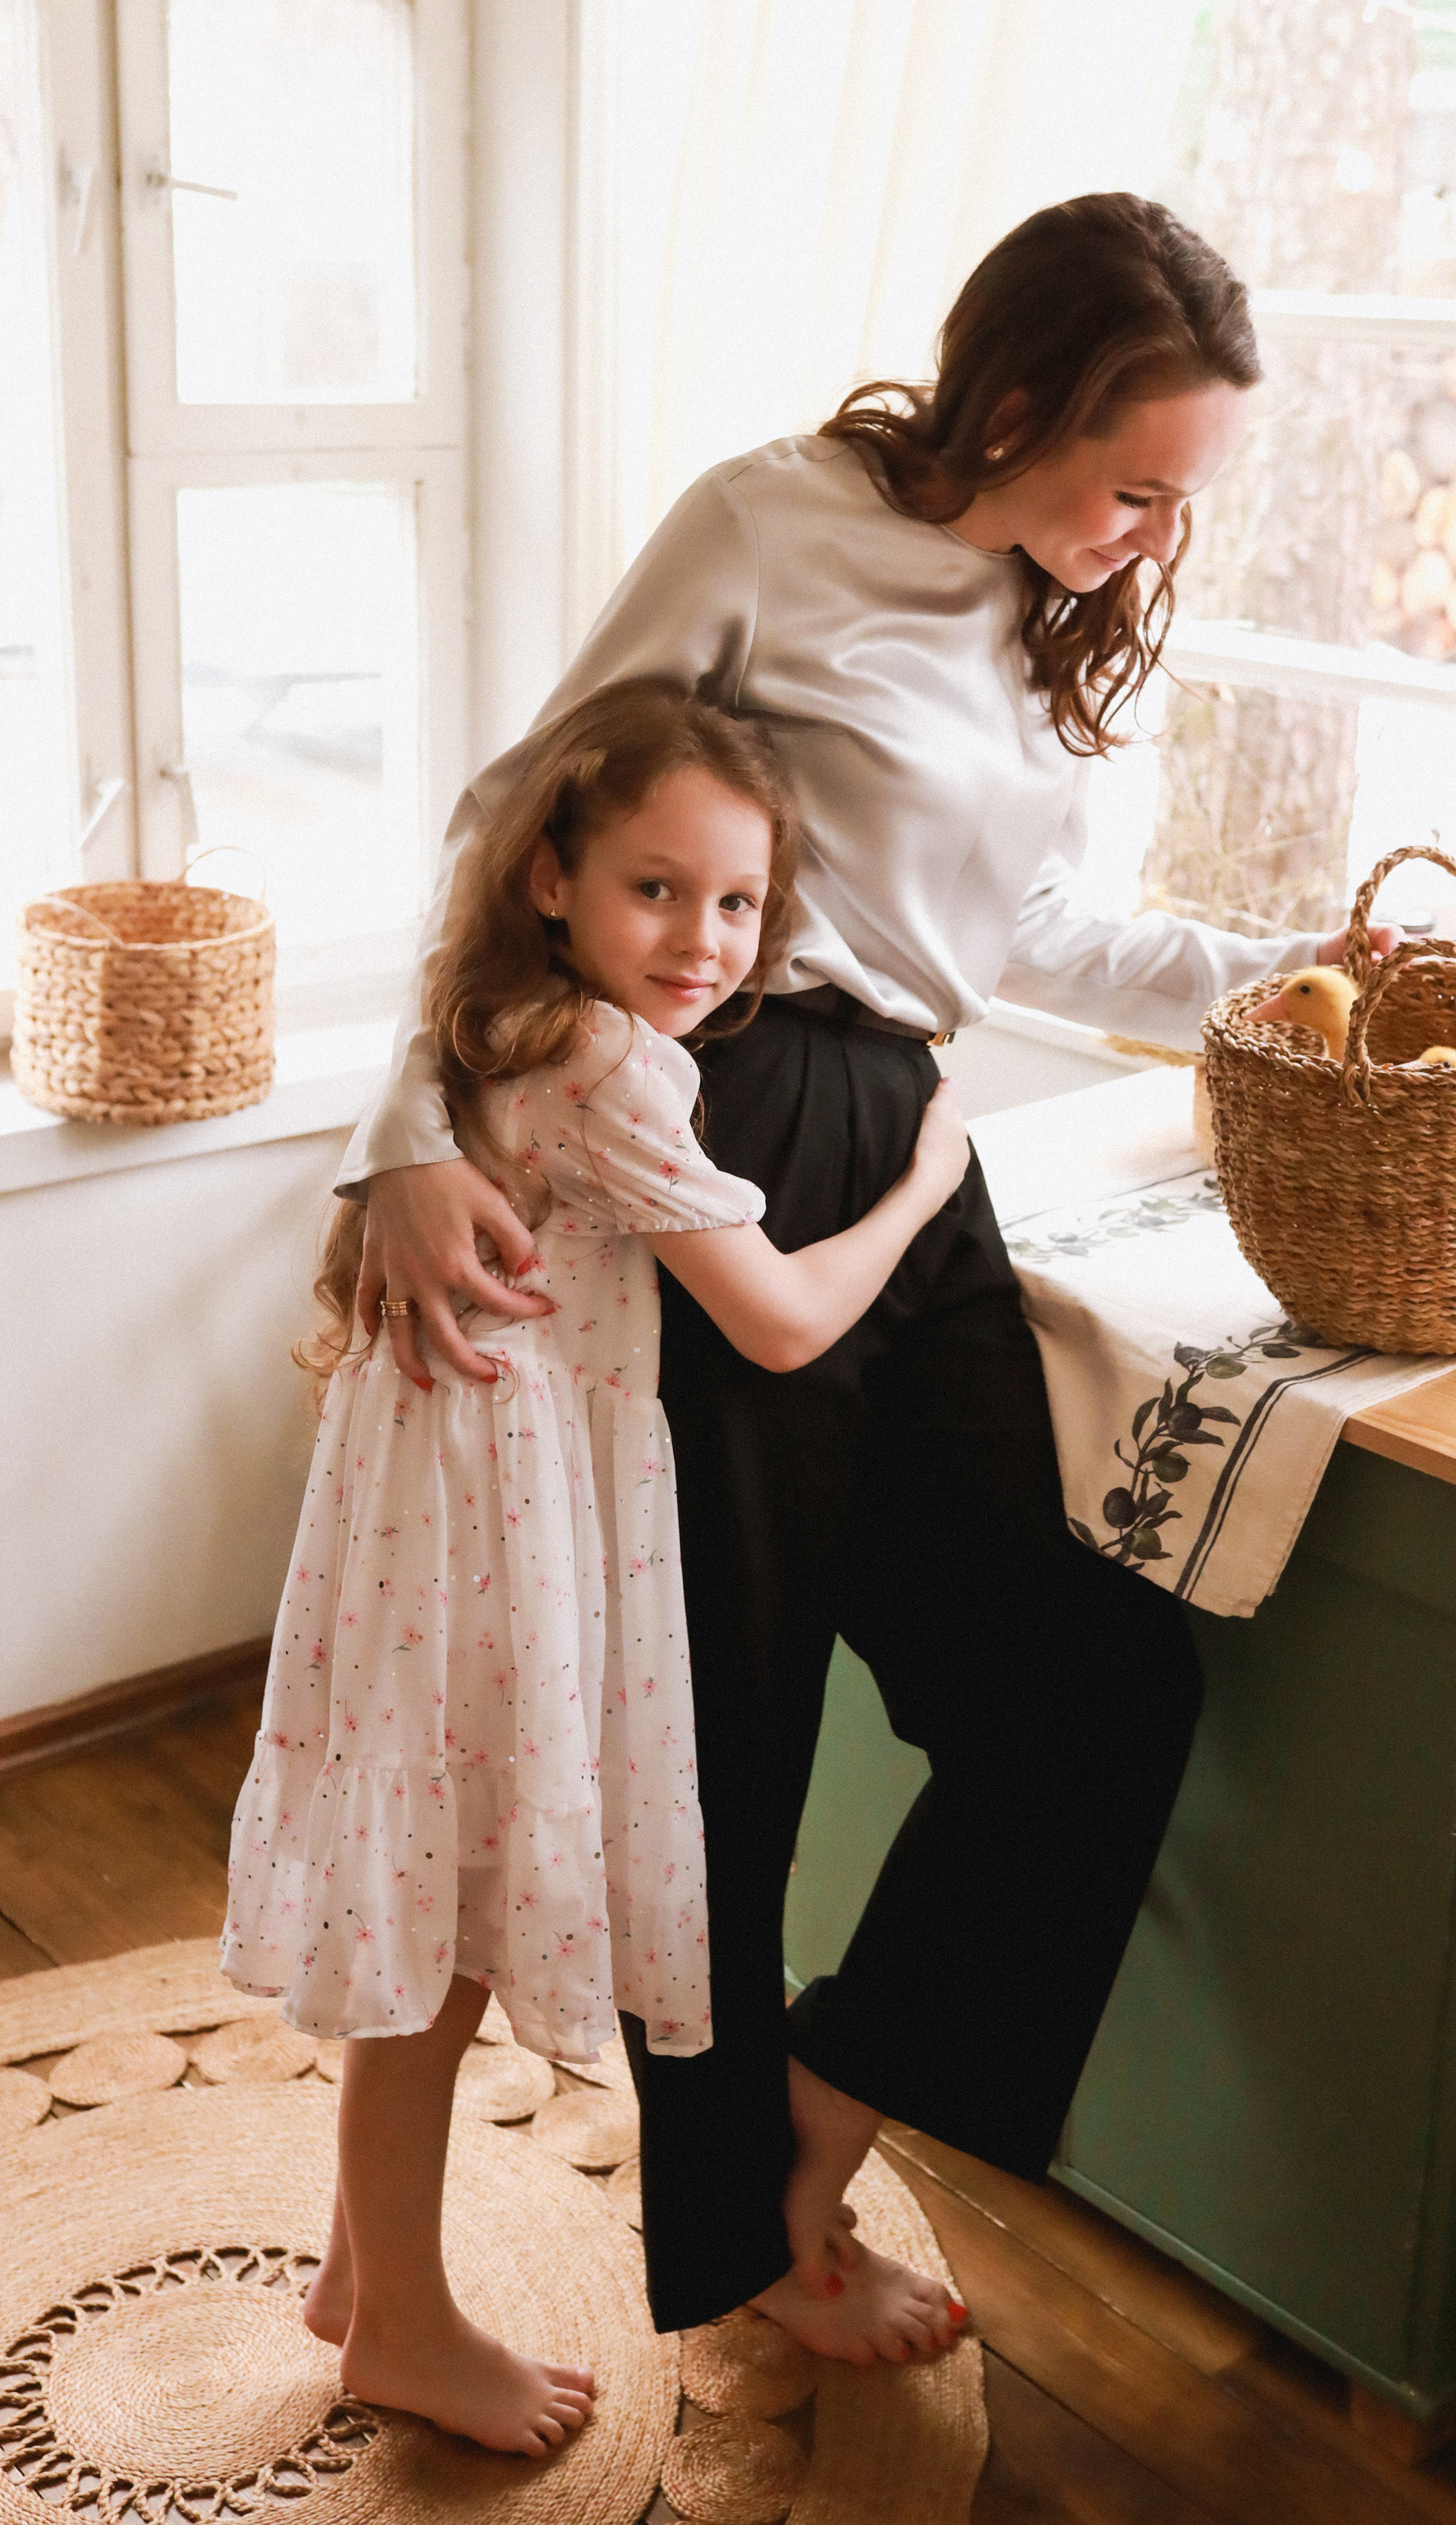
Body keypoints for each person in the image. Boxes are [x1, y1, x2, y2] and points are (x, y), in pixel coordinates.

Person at [343, 192, 1395, 2367]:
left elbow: (1016, 934)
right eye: (1134, 480)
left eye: (1182, 500)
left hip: (912, 1145)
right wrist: (404, 1143)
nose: (1148, 535)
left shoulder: (1038, 613)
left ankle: (821, 2116)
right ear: (1015, 399)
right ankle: (749, 2250)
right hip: (719, 1132)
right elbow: (513, 817)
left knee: (1088, 1685)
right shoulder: (770, 524)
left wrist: (1276, 974)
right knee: (712, 1738)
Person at [222, 679, 972, 2455]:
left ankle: (356, 2269)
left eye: (734, 903)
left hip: (445, 1510)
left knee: (441, 1888)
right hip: (496, 1533)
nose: (702, 940)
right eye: (657, 889)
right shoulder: (609, 1064)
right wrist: (923, 1183)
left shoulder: (505, 1024)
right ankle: (397, 2321)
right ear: (550, 874)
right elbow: (782, 1323)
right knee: (454, 1930)